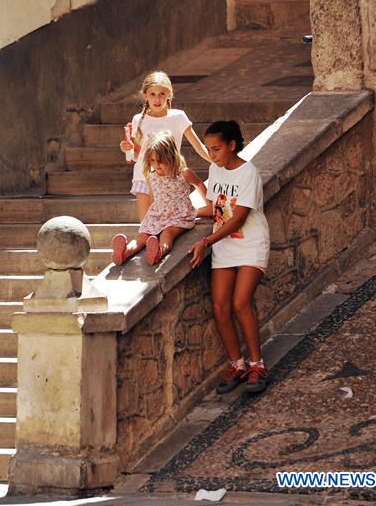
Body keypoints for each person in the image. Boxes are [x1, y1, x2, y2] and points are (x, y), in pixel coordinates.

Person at [189, 120, 271, 394]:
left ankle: (257, 365)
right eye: (209, 150)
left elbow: (237, 219)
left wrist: (205, 241)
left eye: (216, 149)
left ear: (232, 145)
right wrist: (183, 213)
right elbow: (214, 207)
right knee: (220, 307)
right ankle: (238, 365)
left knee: (240, 302)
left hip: (250, 243)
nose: (212, 156)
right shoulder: (216, 169)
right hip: (225, 245)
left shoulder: (248, 174)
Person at [119, 71, 210, 221]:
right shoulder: (138, 120)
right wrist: (127, 149)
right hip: (143, 177)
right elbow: (137, 156)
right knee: (146, 224)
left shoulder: (178, 117)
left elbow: (198, 146)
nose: (157, 98)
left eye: (162, 93)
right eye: (153, 94)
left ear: (169, 94)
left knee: (167, 222)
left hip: (171, 178)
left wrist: (216, 161)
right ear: (145, 95)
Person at [112, 131, 206, 266]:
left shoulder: (184, 173)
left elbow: (199, 184)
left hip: (179, 216)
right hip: (158, 214)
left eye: (161, 161)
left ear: (171, 156)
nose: (157, 165)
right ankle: (124, 252)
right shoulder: (152, 176)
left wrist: (209, 202)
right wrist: (150, 218)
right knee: (142, 236)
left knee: (167, 234)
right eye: (152, 161)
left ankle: (158, 252)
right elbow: (154, 197)